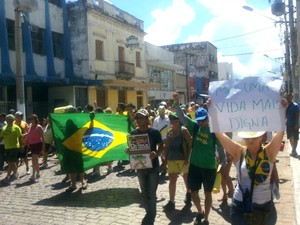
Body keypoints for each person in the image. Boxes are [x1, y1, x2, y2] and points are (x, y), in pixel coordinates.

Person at [173, 92, 216, 225]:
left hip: (209, 167)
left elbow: (221, 148)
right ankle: (200, 211)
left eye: (204, 120)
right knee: (193, 193)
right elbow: (181, 116)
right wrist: (176, 102)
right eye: (199, 120)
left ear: (208, 118)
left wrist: (224, 160)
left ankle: (206, 218)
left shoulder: (215, 131)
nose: (202, 122)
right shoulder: (195, 126)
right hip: (195, 165)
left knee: (208, 194)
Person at [127, 109, 163, 225]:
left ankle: (151, 216)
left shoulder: (155, 132)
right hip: (141, 168)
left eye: (142, 117)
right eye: (137, 118)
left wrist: (156, 153)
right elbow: (133, 151)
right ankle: (149, 211)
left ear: (147, 118)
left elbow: (162, 146)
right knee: (144, 192)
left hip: (153, 167)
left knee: (152, 193)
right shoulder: (133, 133)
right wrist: (129, 151)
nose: (139, 120)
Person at [163, 112, 192, 211]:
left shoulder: (184, 130)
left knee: (186, 177)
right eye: (171, 120)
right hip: (172, 158)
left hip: (183, 159)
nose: (173, 122)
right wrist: (165, 159)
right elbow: (166, 146)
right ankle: (172, 201)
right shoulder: (169, 132)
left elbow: (191, 143)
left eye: (175, 120)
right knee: (172, 179)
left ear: (179, 121)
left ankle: (189, 193)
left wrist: (188, 158)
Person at [0, 114, 22, 183]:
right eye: (8, 119)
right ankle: (12, 175)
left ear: (13, 120)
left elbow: (20, 137)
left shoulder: (16, 127)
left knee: (11, 161)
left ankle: (12, 175)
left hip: (14, 147)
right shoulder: (4, 128)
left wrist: (21, 146)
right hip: (7, 147)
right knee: (10, 162)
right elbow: (1, 137)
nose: (9, 120)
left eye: (10, 119)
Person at [152, 105, 171, 175]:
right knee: (162, 155)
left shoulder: (168, 119)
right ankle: (164, 169)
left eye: (162, 112)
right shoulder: (156, 119)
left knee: (167, 154)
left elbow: (170, 128)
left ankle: (168, 168)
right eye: (160, 112)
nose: (161, 113)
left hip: (167, 139)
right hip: (160, 140)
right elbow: (154, 129)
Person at [26, 114, 45, 182]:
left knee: (34, 159)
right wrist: (27, 142)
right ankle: (38, 173)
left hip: (37, 144)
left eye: (31, 118)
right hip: (32, 145)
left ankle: (33, 175)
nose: (30, 120)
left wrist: (43, 146)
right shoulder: (30, 126)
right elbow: (28, 135)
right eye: (30, 118)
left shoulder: (38, 127)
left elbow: (42, 137)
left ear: (35, 119)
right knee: (35, 160)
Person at [14, 111, 30, 175]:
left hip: (23, 143)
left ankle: (27, 168)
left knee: (25, 157)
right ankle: (16, 171)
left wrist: (27, 141)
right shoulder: (13, 123)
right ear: (16, 117)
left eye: (21, 115)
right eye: (20, 116)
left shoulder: (24, 123)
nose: (21, 117)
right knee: (16, 158)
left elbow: (28, 132)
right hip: (16, 143)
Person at [285, 93, 299, 157]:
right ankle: (293, 150)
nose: (288, 99)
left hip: (294, 124)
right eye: (287, 97)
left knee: (295, 138)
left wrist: (296, 124)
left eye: (290, 97)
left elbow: (297, 115)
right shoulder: (286, 105)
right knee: (290, 137)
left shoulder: (295, 106)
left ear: (292, 98)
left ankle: (294, 150)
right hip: (288, 124)